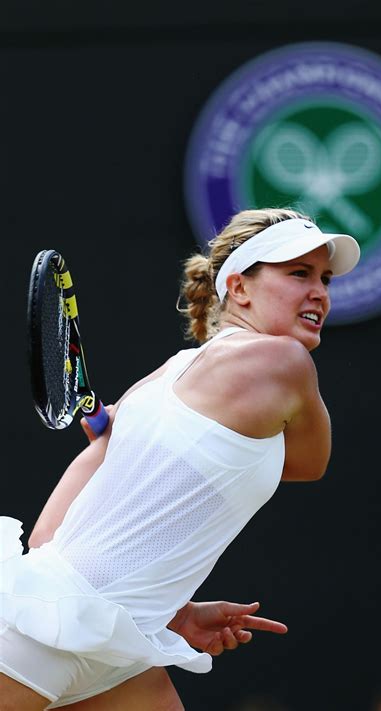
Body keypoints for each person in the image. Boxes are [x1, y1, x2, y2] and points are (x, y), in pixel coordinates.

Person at [0, 207, 360, 710]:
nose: (319, 292)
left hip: (110, 641)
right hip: (44, 641)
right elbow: (309, 463)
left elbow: (46, 543)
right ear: (238, 287)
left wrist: (174, 611)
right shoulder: (284, 362)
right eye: (298, 273)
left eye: (324, 278)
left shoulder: (163, 378)